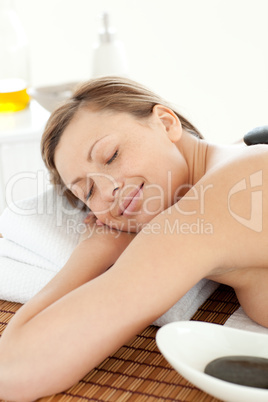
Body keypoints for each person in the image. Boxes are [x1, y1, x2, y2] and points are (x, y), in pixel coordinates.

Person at [0, 76, 267, 400]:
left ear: (166, 123)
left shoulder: (212, 205)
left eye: (111, 155)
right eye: (88, 192)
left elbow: (15, 370)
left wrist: (95, 249)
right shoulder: (244, 153)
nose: (109, 190)